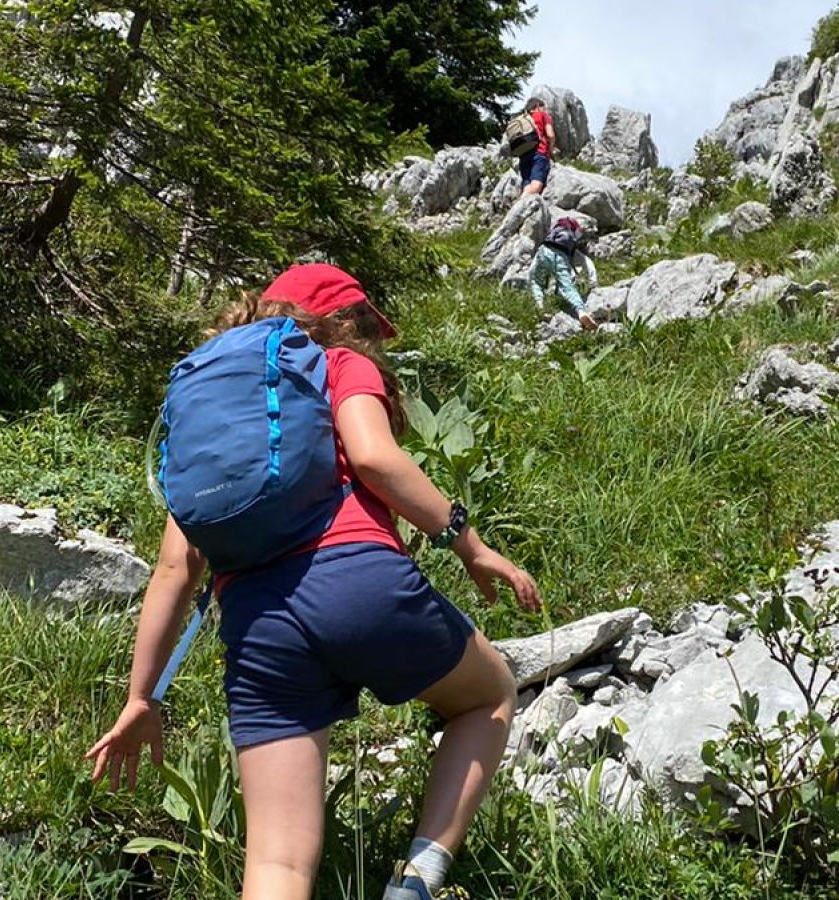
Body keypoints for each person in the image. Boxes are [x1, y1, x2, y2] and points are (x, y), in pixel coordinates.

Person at [86, 263, 540, 900]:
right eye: (364, 327)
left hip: (255, 624)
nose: (371, 342)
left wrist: (142, 698)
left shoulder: (223, 410)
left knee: (277, 866)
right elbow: (377, 458)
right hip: (359, 579)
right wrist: (471, 546)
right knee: (486, 695)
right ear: (339, 321)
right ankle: (418, 880)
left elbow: (173, 568)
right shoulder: (337, 365)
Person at [529, 216, 598, 331]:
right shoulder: (571, 249)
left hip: (543, 250)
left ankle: (539, 306)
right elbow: (588, 263)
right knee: (566, 287)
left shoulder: (552, 235)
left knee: (535, 280)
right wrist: (593, 283)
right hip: (561, 256)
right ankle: (581, 312)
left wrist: (531, 276)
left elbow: (532, 271)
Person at [518, 97, 555, 197]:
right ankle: (519, 205)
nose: (544, 110)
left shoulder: (523, 118)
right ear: (538, 106)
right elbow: (550, 134)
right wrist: (550, 150)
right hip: (539, 153)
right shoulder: (542, 115)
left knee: (527, 186)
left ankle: (522, 203)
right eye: (543, 107)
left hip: (523, 154)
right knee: (536, 186)